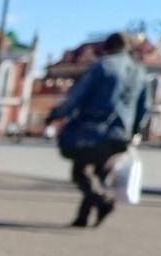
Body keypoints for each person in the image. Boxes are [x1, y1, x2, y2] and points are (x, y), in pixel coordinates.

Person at [47, 32, 148, 227]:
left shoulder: (103, 66)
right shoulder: (139, 71)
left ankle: (103, 201)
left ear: (107, 47)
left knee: (80, 172)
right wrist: (135, 131)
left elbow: (78, 95)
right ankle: (82, 217)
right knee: (100, 173)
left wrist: (56, 113)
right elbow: (144, 107)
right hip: (121, 134)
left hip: (93, 130)